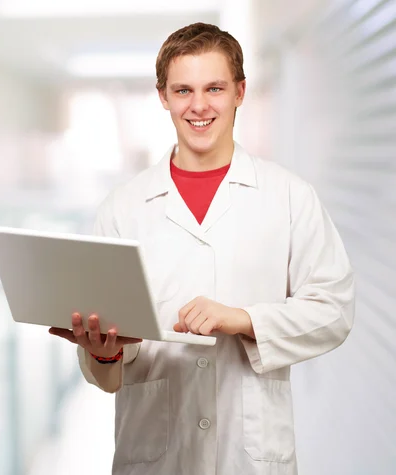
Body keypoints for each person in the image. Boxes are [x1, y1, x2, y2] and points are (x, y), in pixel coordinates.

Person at [49, 22, 355, 475]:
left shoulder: (290, 197)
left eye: (214, 87)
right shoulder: (123, 208)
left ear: (240, 92)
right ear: (163, 97)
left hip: (249, 456)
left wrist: (245, 318)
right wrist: (103, 351)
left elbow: (334, 309)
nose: (198, 106)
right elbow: (108, 358)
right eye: (183, 90)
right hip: (154, 453)